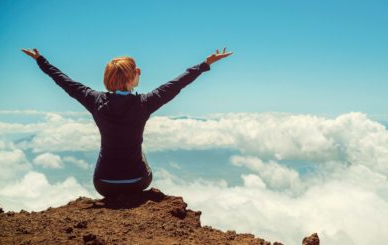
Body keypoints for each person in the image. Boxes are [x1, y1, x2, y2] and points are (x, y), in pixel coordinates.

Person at [21, 47, 233, 198]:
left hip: (103, 184)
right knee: (139, 151)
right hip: (137, 182)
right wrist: (205, 64)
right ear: (133, 77)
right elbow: (177, 84)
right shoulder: (145, 103)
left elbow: (64, 81)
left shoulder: (93, 100)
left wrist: (41, 61)